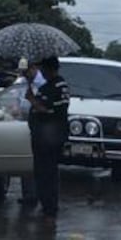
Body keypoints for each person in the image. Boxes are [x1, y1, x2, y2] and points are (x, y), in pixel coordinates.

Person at [25, 56, 70, 219]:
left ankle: (48, 206)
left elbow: (44, 109)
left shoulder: (53, 87)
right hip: (51, 134)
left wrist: (31, 99)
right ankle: (49, 204)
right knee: (49, 171)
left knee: (45, 171)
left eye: (43, 69)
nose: (41, 72)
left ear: (49, 69)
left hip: (48, 136)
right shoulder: (60, 85)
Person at [13, 57, 46, 207]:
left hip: (41, 125)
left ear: (34, 68)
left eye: (26, 71)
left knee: (40, 161)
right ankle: (28, 194)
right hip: (23, 124)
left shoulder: (43, 83)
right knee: (25, 160)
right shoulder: (20, 83)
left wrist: (32, 101)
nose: (24, 74)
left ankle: (40, 194)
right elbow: (14, 102)